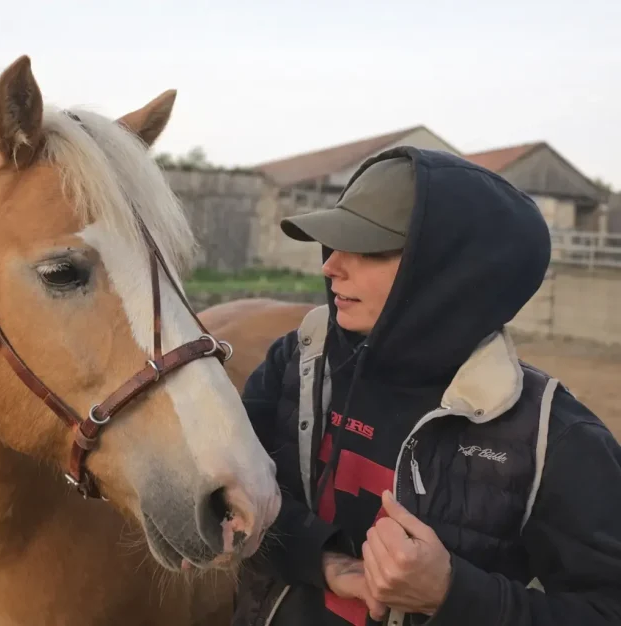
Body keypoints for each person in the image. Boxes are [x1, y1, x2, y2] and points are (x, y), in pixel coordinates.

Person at [231, 147, 621, 626]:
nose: (331, 266)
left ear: (451, 272)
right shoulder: (296, 362)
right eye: (334, 242)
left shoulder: (554, 440)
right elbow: (230, 499)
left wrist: (453, 595)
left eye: (369, 249)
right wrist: (323, 559)